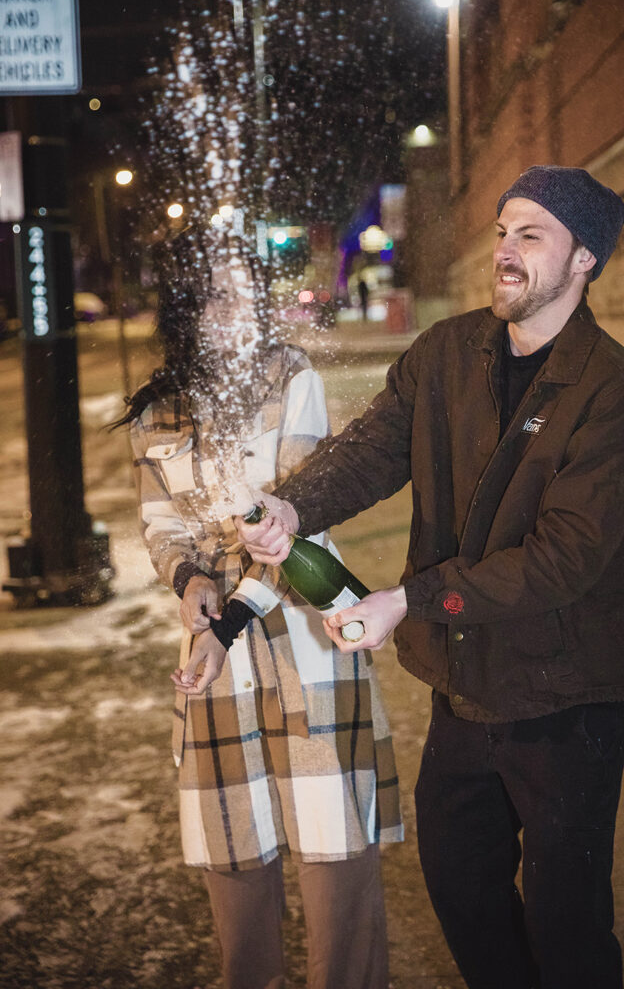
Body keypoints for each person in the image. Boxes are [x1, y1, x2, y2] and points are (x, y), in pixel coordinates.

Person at [235, 166, 624, 989]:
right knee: (462, 886)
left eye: (530, 235)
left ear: (583, 261)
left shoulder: (613, 392)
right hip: (465, 681)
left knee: (566, 919)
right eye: (502, 230)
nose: (505, 250)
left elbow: (564, 557)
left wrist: (409, 601)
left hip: (567, 696)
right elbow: (372, 452)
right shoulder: (446, 353)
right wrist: (291, 506)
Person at [117, 232, 403, 989]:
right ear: (186, 306)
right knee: (232, 840)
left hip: (305, 634)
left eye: (247, 291)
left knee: (332, 842)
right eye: (217, 294)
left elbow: (296, 520)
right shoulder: (159, 411)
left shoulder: (291, 377)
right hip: (214, 647)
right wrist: (187, 582)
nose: (236, 309)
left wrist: (231, 614)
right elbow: (162, 525)